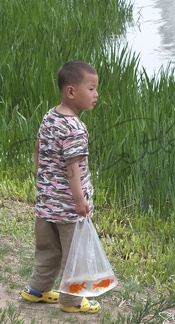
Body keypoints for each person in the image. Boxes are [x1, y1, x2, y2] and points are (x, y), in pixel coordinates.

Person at [21, 61, 100, 313]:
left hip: (46, 203)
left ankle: (37, 289)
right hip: (68, 208)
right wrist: (79, 200)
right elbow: (73, 168)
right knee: (74, 255)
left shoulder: (50, 115)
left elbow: (38, 147)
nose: (96, 94)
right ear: (71, 91)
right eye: (91, 88)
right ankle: (72, 301)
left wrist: (41, 176)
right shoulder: (76, 128)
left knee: (47, 249)